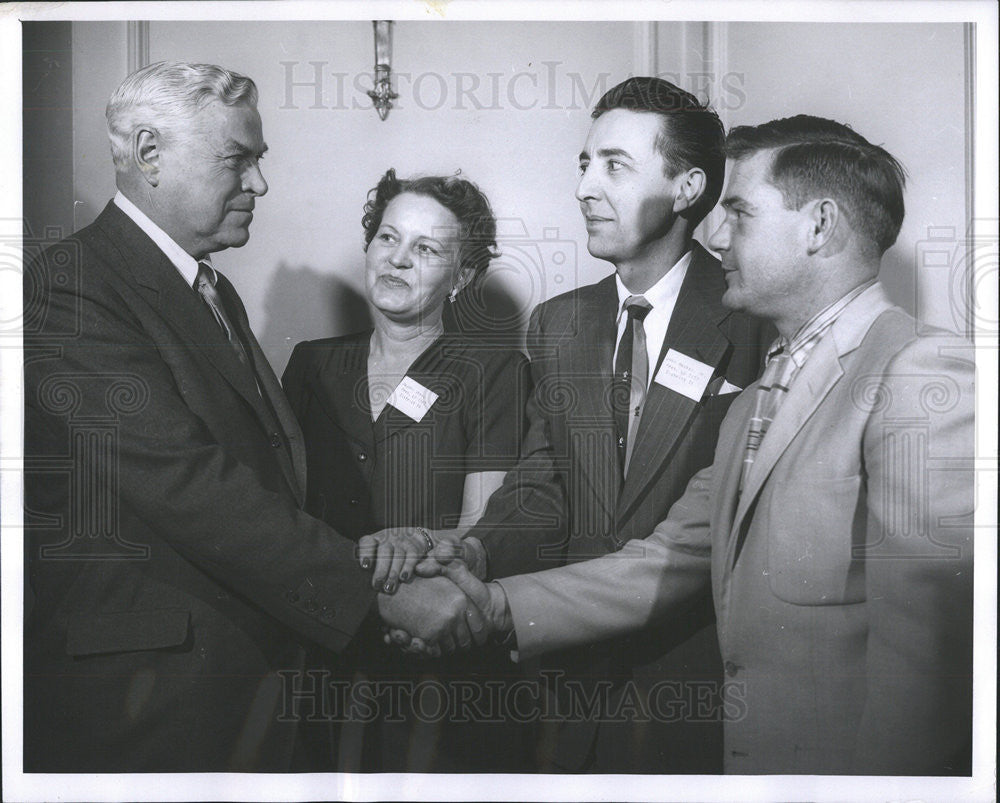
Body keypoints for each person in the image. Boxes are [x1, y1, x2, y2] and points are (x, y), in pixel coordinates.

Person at [430, 115, 975, 776]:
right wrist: (495, 607)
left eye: (740, 212)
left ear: (820, 225)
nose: (715, 235)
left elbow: (932, 666)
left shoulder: (917, 369)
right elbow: (669, 557)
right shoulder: (758, 396)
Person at [22, 61, 483, 772]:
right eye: (239, 159)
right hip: (148, 703)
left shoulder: (214, 290)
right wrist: (375, 594)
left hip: (240, 685)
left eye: (258, 161)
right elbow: (188, 483)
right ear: (149, 154)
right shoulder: (72, 283)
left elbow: (262, 479)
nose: (260, 183)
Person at [371, 76, 774, 773]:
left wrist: (484, 603)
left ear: (686, 189)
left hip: (698, 690)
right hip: (567, 690)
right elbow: (541, 486)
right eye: (585, 164)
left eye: (615, 165)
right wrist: (470, 558)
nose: (586, 186)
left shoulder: (755, 319)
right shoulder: (561, 323)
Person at [281, 169, 531, 771]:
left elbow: (482, 527)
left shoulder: (493, 371)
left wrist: (410, 578)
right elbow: (282, 512)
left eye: (426, 249)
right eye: (387, 239)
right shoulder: (312, 366)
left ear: (462, 276)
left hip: (436, 646)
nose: (397, 260)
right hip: (322, 640)